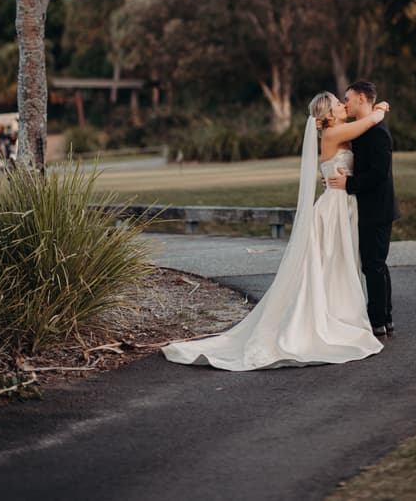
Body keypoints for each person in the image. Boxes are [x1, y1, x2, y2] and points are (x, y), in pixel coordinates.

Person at [161, 92, 389, 371]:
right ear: (329, 115)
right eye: (339, 103)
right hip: (334, 209)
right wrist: (381, 109)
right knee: (331, 264)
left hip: (343, 204)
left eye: (345, 101)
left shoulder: (336, 132)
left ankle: (341, 313)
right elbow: (370, 122)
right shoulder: (334, 133)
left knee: (338, 264)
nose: (344, 105)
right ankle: (333, 318)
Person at [328, 81, 399, 337]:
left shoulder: (378, 132)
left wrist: (349, 183)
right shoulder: (363, 128)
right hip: (368, 207)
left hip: (377, 208)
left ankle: (378, 321)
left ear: (360, 98)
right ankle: (385, 318)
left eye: (347, 98)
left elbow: (379, 174)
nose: (345, 103)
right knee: (376, 264)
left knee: (374, 265)